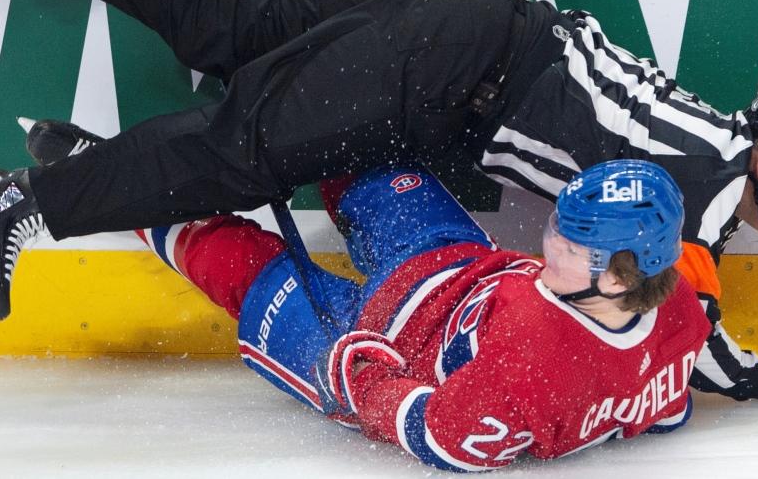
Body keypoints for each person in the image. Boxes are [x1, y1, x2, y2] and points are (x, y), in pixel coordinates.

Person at [0, 0, 758, 402]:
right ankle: (13, 206)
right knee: (241, 152)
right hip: (448, 66)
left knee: (235, 23)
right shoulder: (705, 192)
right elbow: (685, 334)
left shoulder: (709, 145)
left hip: (460, 13)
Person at [70, 133, 713, 471]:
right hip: (447, 264)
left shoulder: (532, 363)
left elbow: (437, 437)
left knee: (240, 265)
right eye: (557, 228)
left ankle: (99, 174)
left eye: (572, 249)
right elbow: (665, 413)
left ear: (621, 280)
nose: (548, 248)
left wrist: (361, 374)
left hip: (373, 337)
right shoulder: (679, 309)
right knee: (345, 140)